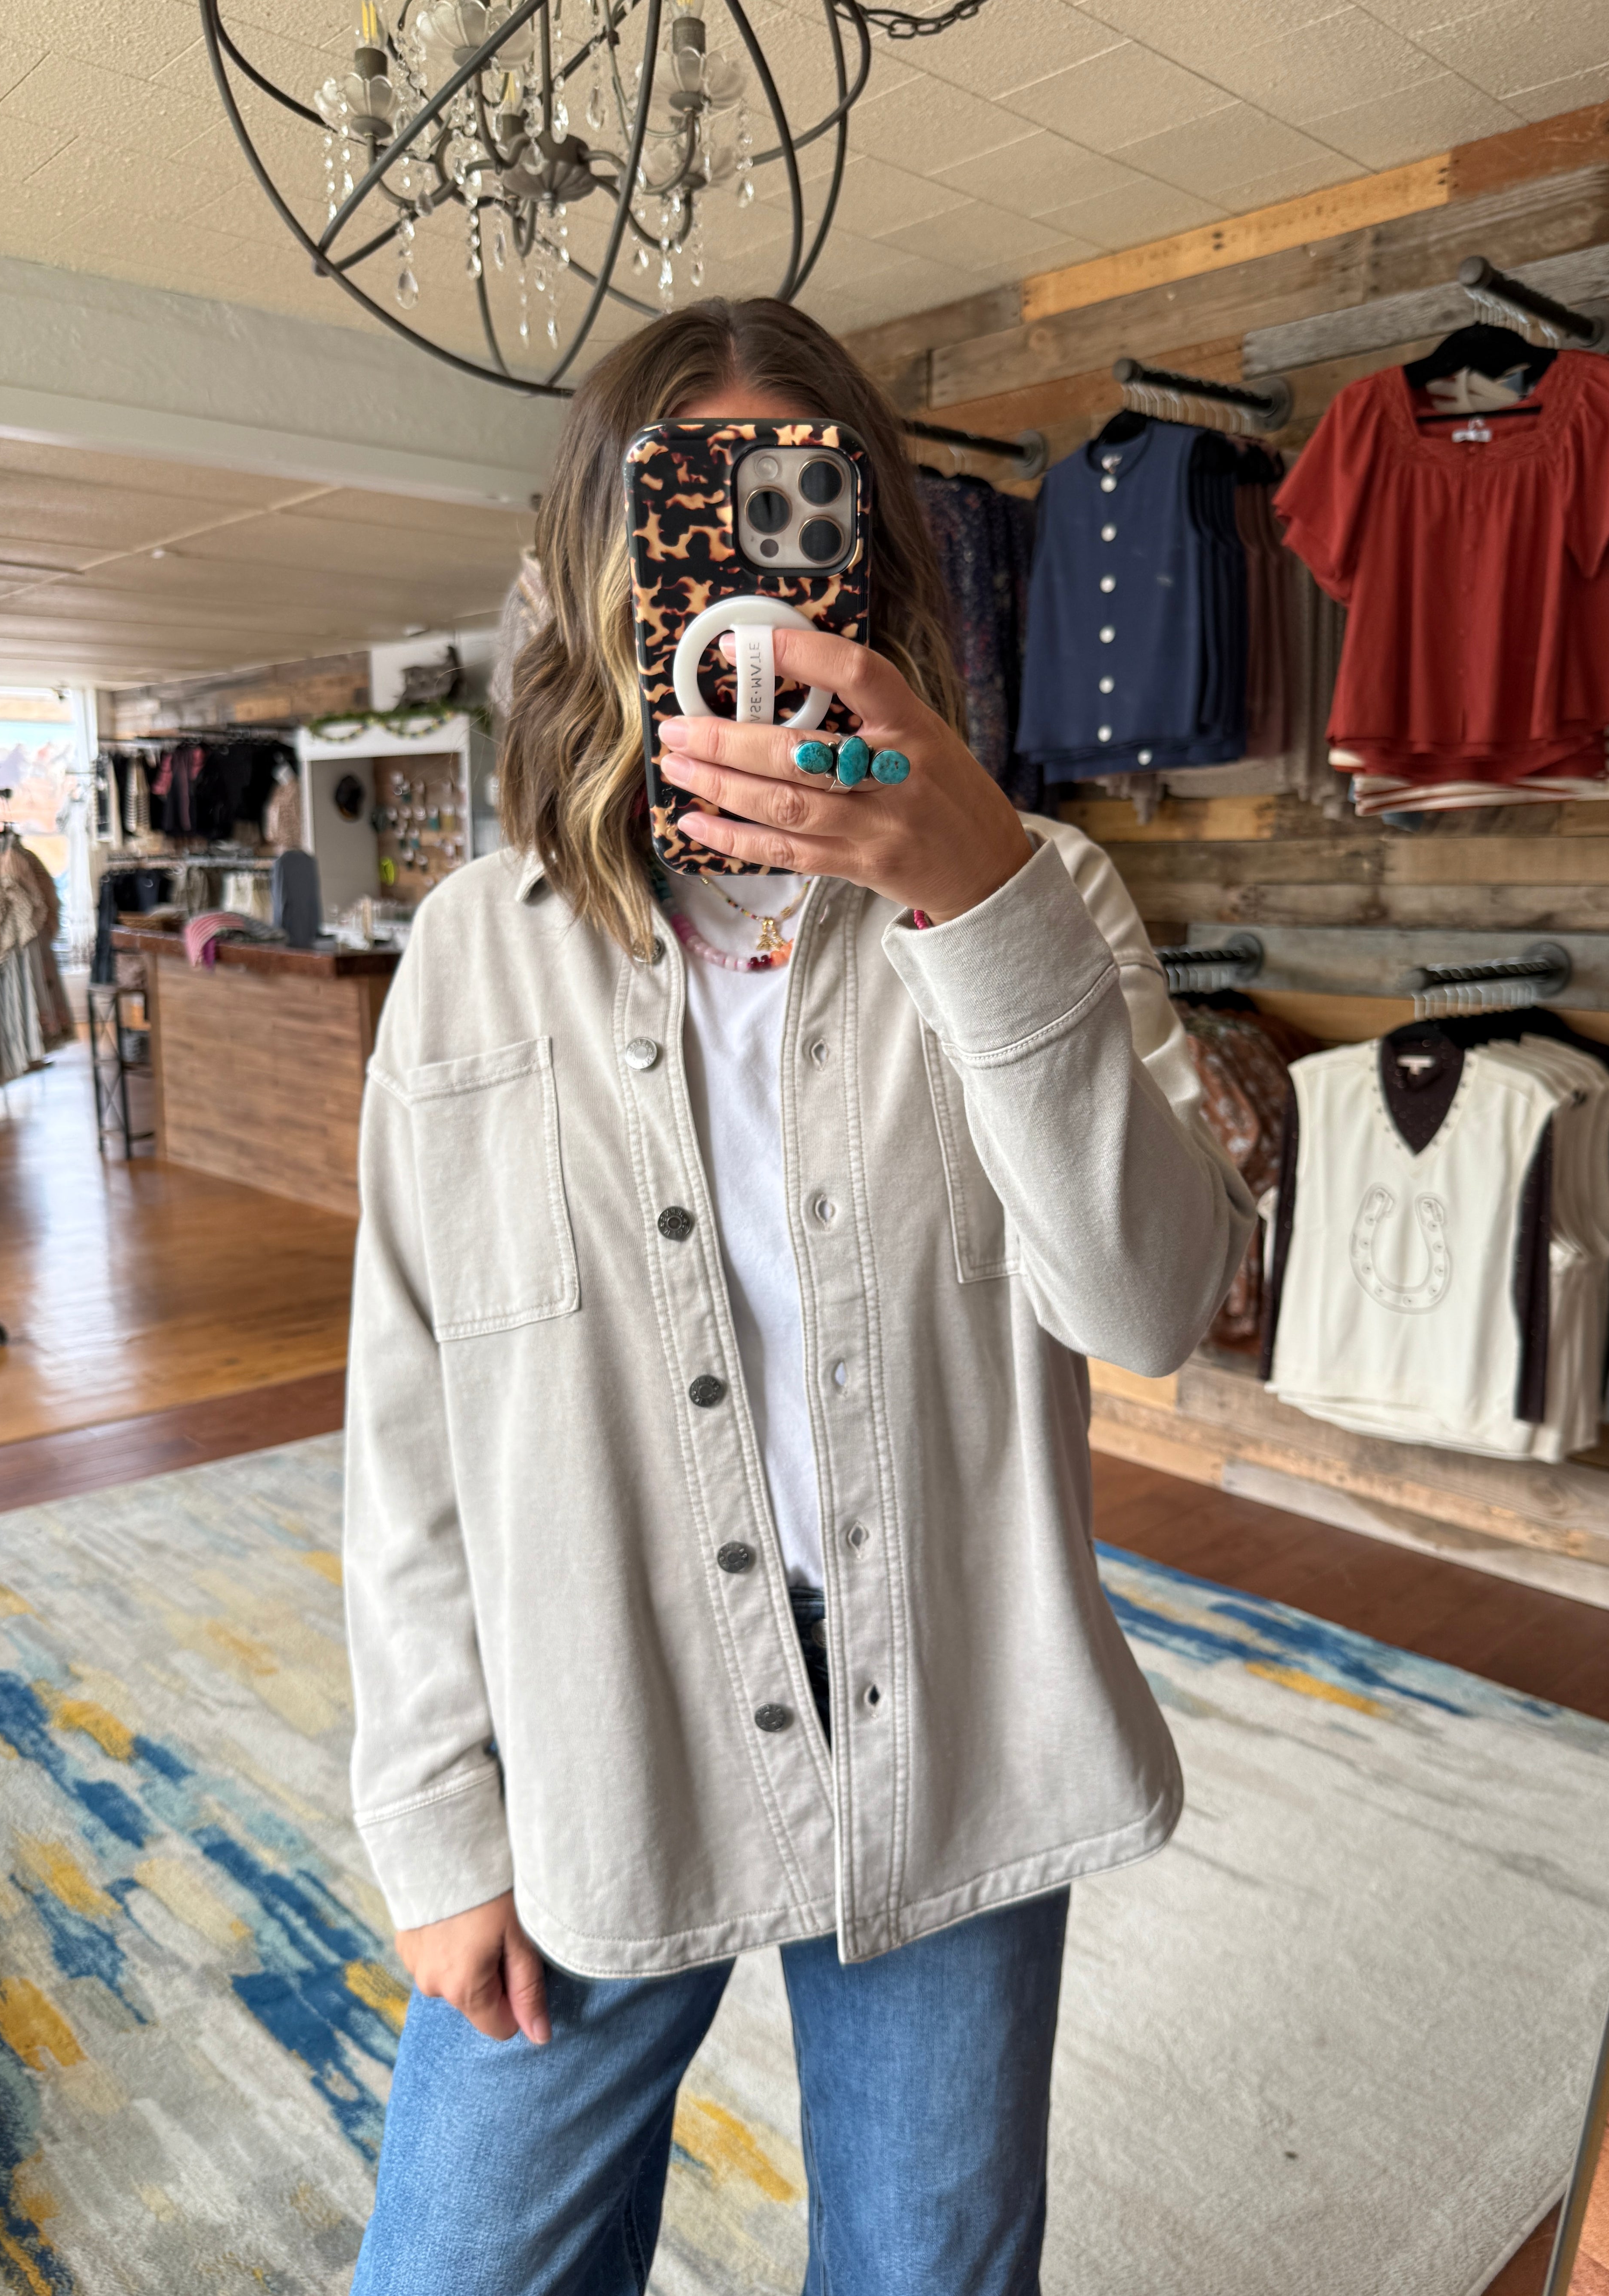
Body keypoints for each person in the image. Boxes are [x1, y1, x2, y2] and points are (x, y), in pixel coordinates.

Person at [343, 296, 1254, 2294]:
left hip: (951, 1699)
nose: (746, 576)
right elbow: (408, 1423)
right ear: (602, 564)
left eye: (795, 510)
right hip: (594, 1702)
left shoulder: (1038, 890)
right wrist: (430, 1817)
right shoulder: (474, 956)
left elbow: (1150, 1305)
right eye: (692, 512)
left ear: (872, 553)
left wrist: (977, 898)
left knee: (928, 2270)